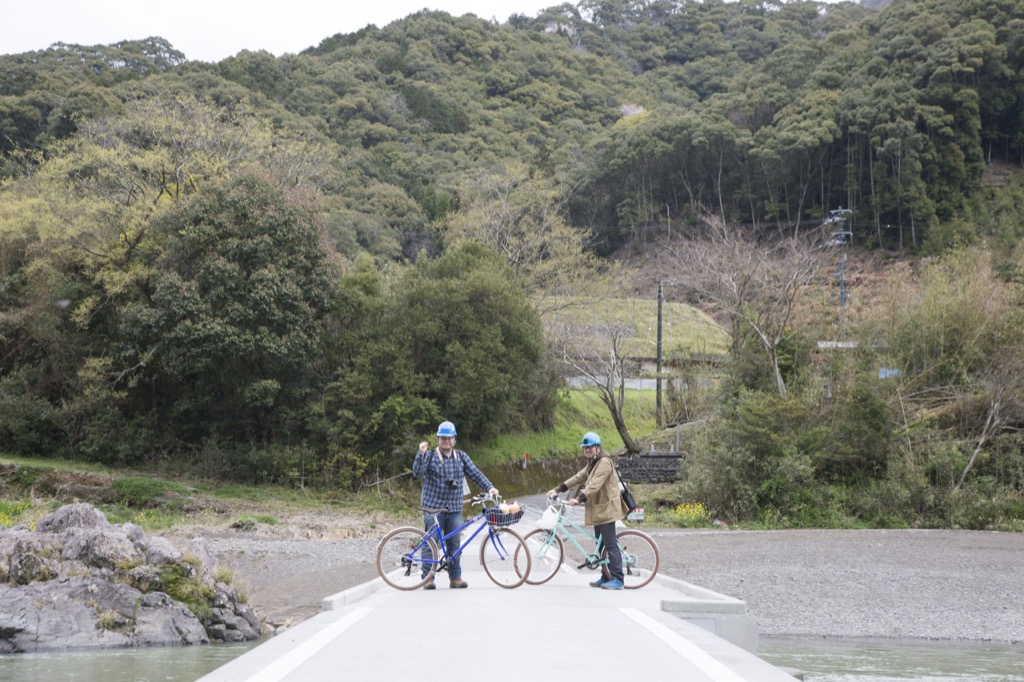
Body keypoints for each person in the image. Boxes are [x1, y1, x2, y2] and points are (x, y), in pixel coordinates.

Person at [412, 420, 498, 590]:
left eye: (449, 438)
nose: (446, 441)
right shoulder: (429, 456)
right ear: (438, 439)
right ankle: (427, 578)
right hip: (433, 507)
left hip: (454, 508)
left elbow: (475, 473)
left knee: (455, 544)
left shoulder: (461, 457)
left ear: (454, 439)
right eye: (443, 438)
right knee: (431, 542)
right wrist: (420, 454)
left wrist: (490, 487)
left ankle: (455, 578)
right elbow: (417, 473)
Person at [547, 431, 629, 590]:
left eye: (590, 448)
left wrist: (579, 498)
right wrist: (558, 489)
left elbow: (594, 485)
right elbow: (578, 477)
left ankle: (618, 579)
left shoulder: (604, 463)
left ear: (598, 448)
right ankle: (606, 576)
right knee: (601, 545)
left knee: (610, 544)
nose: (587, 450)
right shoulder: (593, 463)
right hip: (599, 509)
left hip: (607, 509)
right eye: (585, 448)